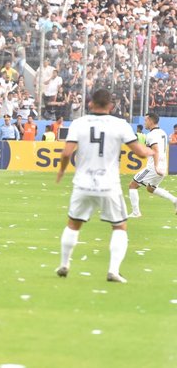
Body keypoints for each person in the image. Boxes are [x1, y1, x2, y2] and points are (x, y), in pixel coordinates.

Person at [55, 89, 153, 283]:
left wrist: (61, 171)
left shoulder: (78, 123)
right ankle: (113, 271)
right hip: (109, 184)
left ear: (90, 104)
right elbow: (140, 152)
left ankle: (64, 264)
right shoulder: (120, 124)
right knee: (119, 226)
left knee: (73, 224)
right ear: (111, 106)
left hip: (83, 183)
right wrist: (152, 153)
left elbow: (66, 154)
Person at [127, 113, 177, 218]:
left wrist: (156, 166)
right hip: (163, 166)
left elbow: (155, 150)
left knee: (133, 185)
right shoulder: (162, 132)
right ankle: (175, 200)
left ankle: (136, 212)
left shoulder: (151, 135)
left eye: (145, 120)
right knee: (151, 188)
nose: (144, 123)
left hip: (154, 167)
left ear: (150, 121)